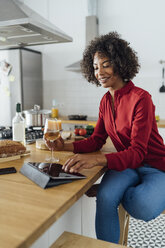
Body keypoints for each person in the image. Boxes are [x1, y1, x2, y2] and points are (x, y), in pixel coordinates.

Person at [45, 32, 165, 244]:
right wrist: (64, 146)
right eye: (95, 67)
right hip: (127, 166)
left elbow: (137, 153)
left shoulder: (141, 98)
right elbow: (96, 140)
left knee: (142, 206)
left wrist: (98, 160)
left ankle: (124, 189)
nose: (99, 72)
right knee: (105, 198)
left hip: (154, 166)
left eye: (106, 64)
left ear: (120, 63)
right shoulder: (105, 101)